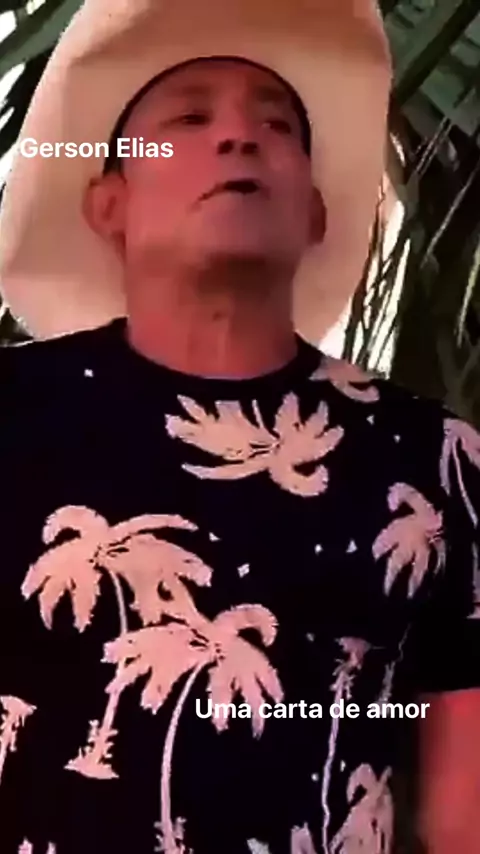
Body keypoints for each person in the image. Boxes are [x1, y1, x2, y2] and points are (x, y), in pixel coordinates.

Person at [0, 2, 479, 854]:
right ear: (108, 203)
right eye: (188, 119)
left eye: (276, 125)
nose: (238, 137)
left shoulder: (435, 463)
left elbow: (464, 812)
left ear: (317, 213)